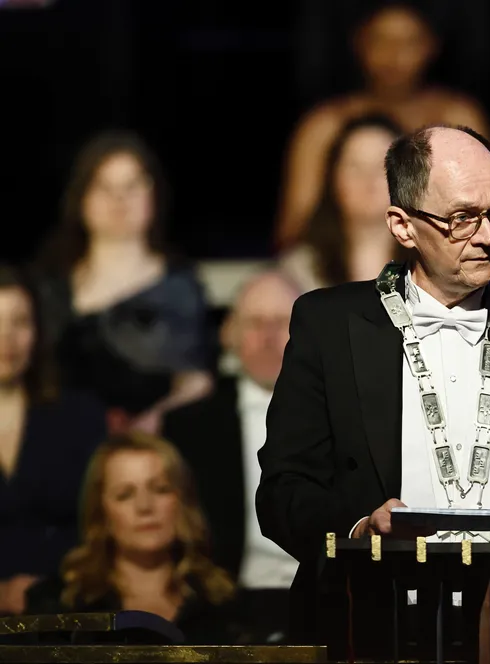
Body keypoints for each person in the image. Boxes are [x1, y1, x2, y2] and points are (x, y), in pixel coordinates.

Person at [257, 125, 490, 652]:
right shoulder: (328, 325)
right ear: (403, 226)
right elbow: (282, 493)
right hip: (368, 620)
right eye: (462, 218)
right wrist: (360, 529)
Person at [36, 132, 213, 434]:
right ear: (81, 197)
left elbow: (197, 379)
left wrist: (154, 421)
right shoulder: (49, 286)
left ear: (153, 194)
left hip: (155, 445)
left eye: (132, 186)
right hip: (66, 443)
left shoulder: (181, 287)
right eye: (104, 187)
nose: (119, 200)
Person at [276, 1, 490, 247]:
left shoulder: (459, 117)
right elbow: (294, 227)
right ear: (358, 43)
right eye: (380, 40)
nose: (394, 55)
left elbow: (484, 211)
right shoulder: (324, 125)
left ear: (432, 46)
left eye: (409, 42)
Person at [162, 272, 301, 643]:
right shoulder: (189, 427)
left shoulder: (350, 415)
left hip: (328, 597)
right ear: (229, 333)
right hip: (226, 606)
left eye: (283, 322)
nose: (270, 337)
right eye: (255, 323)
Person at [24, 433, 239, 644]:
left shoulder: (225, 604)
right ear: (101, 514)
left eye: (160, 489)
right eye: (125, 494)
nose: (145, 506)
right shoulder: (58, 608)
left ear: (182, 501)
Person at [0, 265, 107, 616]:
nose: (7, 339)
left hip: (68, 608)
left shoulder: (78, 415)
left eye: (20, 322)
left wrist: (51, 589)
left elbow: (100, 527)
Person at [280, 115, 402, 293]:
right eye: (355, 167)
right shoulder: (297, 271)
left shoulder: (433, 263)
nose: (369, 180)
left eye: (382, 167)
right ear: (333, 179)